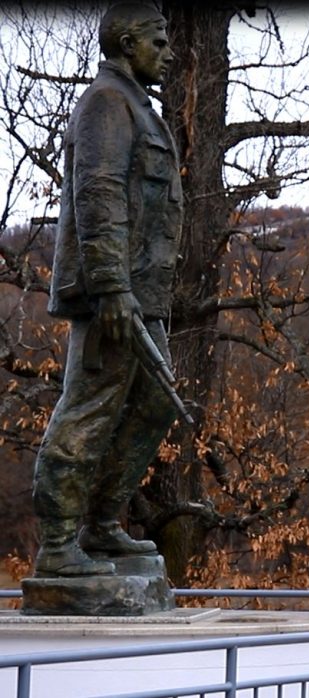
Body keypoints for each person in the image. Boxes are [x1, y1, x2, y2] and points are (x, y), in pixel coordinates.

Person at [31, 3, 182, 577]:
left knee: (153, 404)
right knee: (88, 411)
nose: (167, 54)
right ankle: (59, 545)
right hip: (113, 297)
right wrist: (112, 287)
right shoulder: (105, 104)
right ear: (126, 43)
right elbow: (99, 196)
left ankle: (101, 524)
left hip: (143, 296)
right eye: (158, 43)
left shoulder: (137, 107)